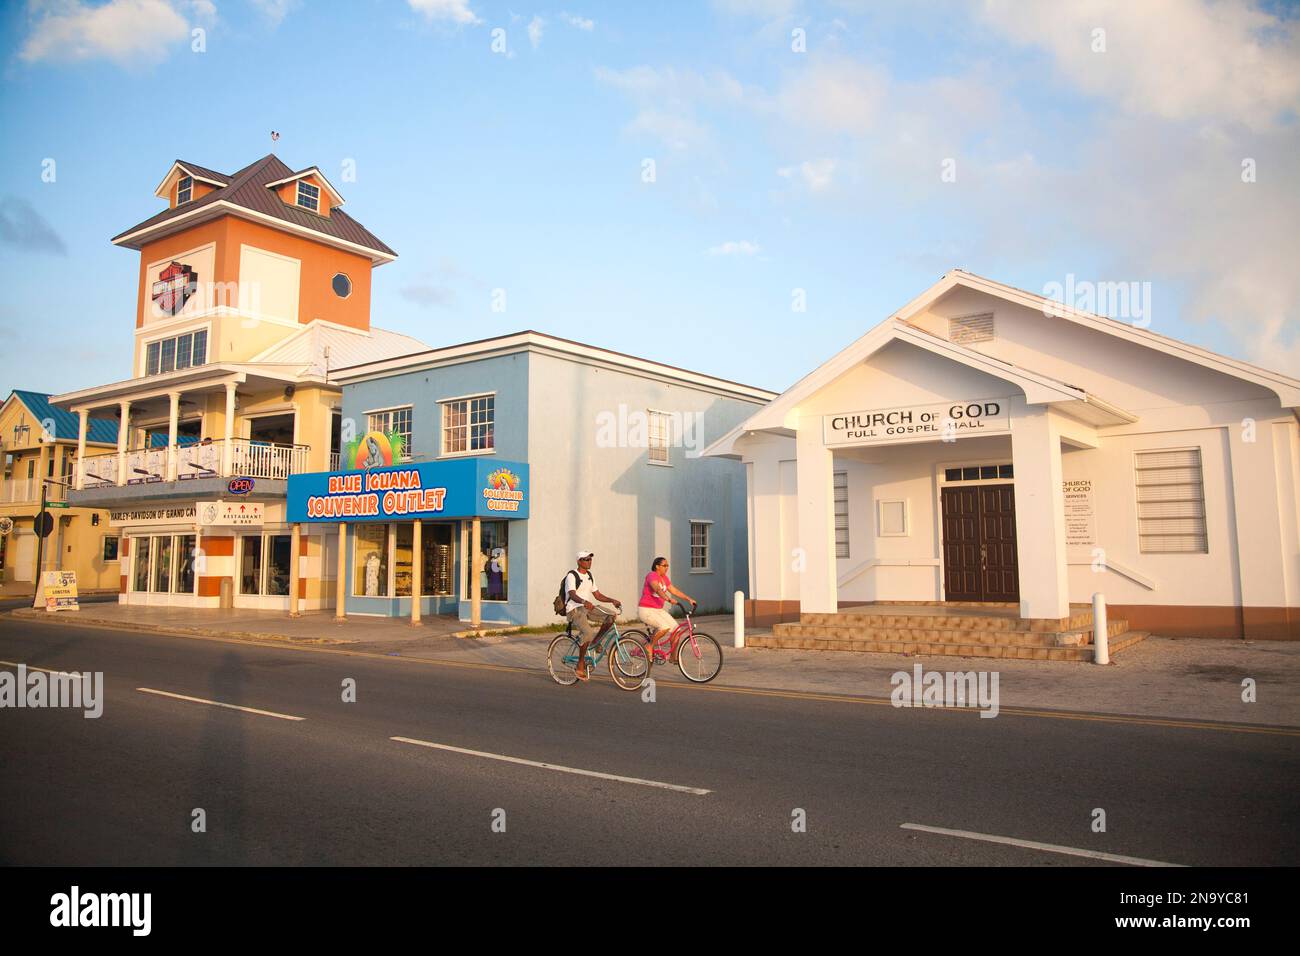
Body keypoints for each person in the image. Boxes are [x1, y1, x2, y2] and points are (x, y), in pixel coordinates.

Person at [564, 551, 622, 682]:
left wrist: (612, 600)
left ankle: (596, 642)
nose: (589, 561)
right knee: (588, 633)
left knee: (611, 616)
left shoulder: (590, 575)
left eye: (590, 559)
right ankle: (580, 665)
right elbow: (572, 594)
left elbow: (597, 595)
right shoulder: (572, 575)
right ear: (579, 561)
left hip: (587, 607)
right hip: (574, 609)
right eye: (586, 559)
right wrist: (584, 601)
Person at [637, 557, 696, 661]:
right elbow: (657, 589)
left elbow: (674, 590)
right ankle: (649, 646)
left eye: (667, 565)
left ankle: (673, 657)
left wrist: (688, 599)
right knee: (664, 627)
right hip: (646, 610)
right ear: (657, 566)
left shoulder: (664, 578)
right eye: (664, 565)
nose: (667, 567)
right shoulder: (651, 575)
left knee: (676, 629)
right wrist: (668, 599)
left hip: (658, 610)